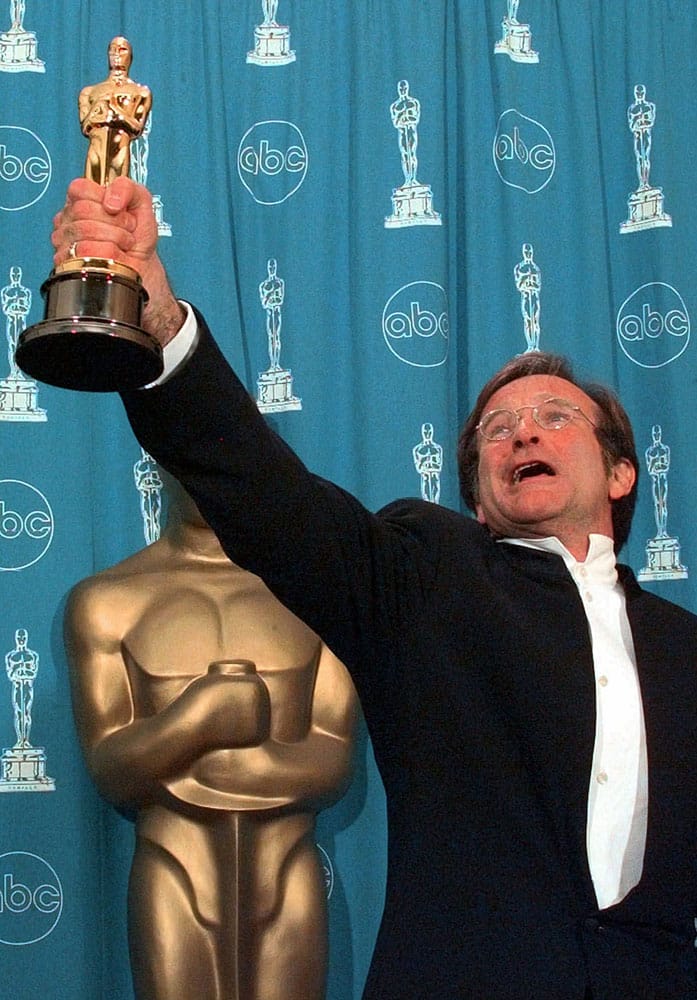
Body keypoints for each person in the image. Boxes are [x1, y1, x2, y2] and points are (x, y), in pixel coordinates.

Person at [50, 175, 697, 999]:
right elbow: (264, 495)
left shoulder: (684, 649)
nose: (522, 431)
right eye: (496, 430)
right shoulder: (427, 575)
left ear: (619, 472)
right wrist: (160, 323)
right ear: (475, 496)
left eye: (554, 417)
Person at [65, 472, 359, 1000]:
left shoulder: (320, 596)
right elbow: (109, 765)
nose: (207, 464)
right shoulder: (106, 602)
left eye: (223, 443)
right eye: (189, 443)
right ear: (158, 464)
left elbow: (334, 759)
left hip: (285, 868)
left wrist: (241, 766)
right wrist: (197, 719)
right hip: (173, 865)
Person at [78, 37, 152, 187]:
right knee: (89, 200)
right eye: (112, 49)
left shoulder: (140, 92)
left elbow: (136, 128)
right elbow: (86, 126)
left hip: (120, 150)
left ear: (130, 56)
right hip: (95, 152)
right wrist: (98, 106)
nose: (116, 53)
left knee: (117, 200)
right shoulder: (89, 91)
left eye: (122, 49)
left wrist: (113, 109)